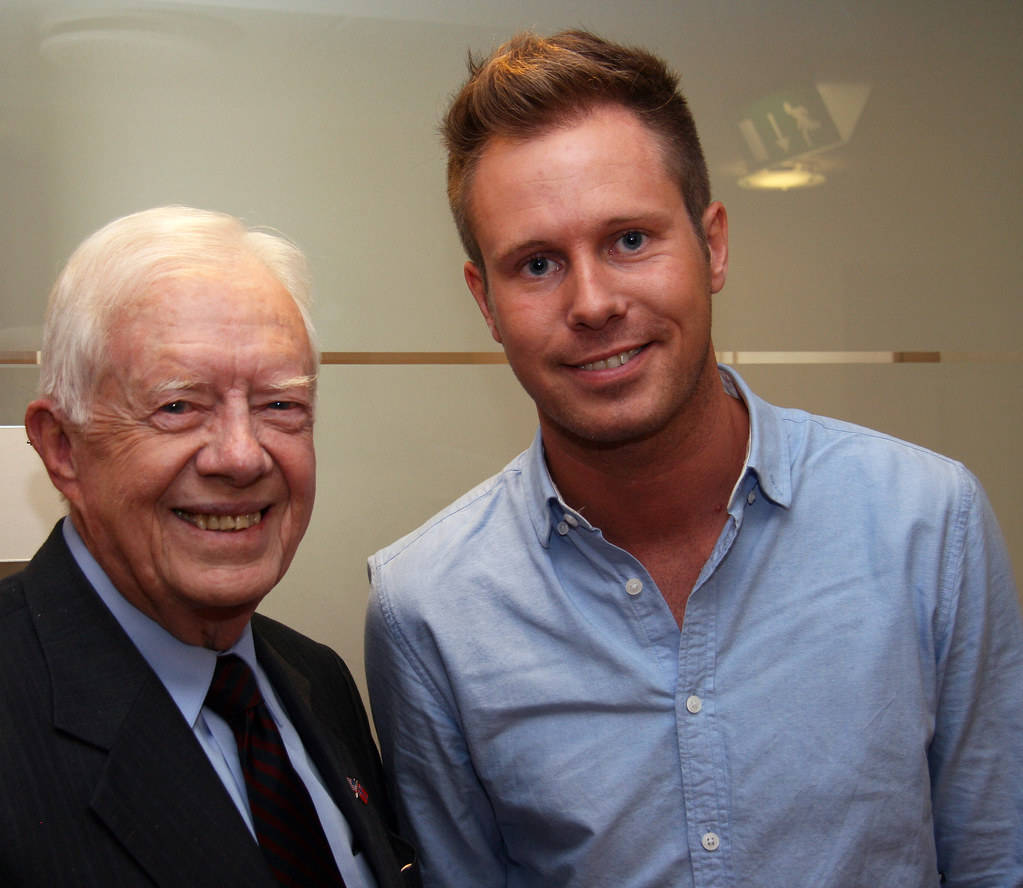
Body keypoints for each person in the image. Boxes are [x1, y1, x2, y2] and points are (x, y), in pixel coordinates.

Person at [364, 30, 1023, 888]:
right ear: (483, 301)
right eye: (535, 264)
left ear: (711, 245)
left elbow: (991, 859)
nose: (593, 302)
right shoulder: (429, 612)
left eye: (630, 240)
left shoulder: (925, 523)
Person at [0, 206, 419, 887]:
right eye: (178, 405)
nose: (240, 456)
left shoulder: (319, 681)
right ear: (63, 449)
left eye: (280, 404)